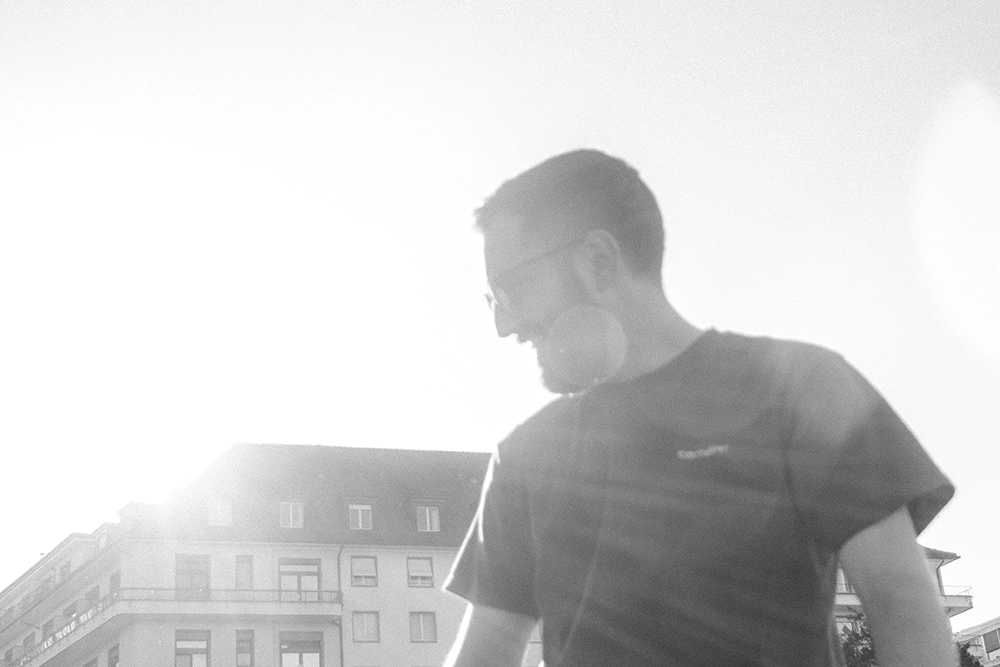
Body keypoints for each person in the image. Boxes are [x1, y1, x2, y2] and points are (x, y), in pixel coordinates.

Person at [443, 149, 957, 667]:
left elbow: (900, 604)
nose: (503, 325)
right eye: (492, 300)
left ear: (598, 260)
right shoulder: (523, 455)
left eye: (512, 290)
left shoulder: (802, 387)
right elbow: (486, 650)